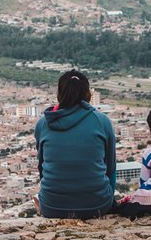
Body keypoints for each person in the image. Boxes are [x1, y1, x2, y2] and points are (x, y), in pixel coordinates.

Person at [33, 70, 118, 219]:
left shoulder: (44, 123)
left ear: (59, 94)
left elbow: (42, 167)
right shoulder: (102, 121)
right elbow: (110, 168)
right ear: (88, 95)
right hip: (98, 206)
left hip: (52, 207)